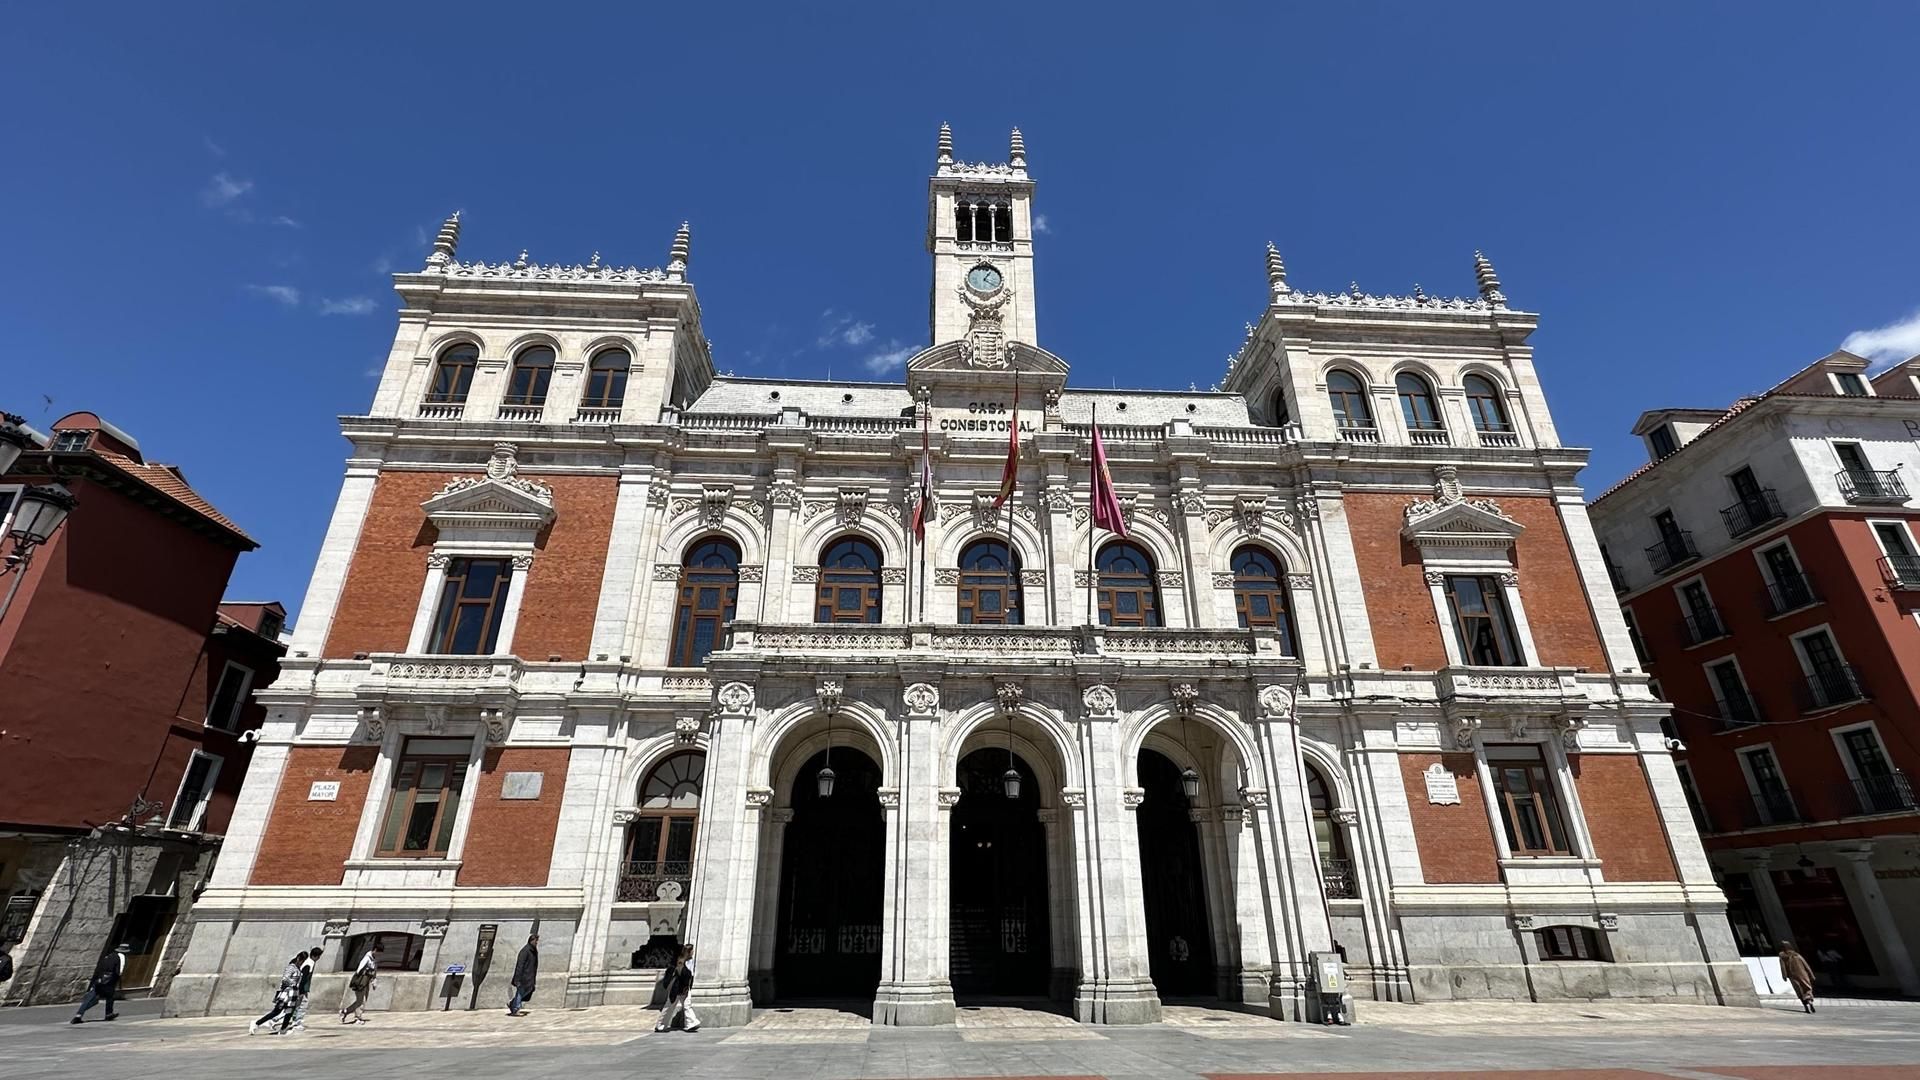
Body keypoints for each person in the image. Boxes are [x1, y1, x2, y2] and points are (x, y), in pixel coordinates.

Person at [70, 944, 129, 1024]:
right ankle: (108, 1014)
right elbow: (120, 971)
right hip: (109, 980)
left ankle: (78, 1015)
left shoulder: (109, 956)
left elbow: (100, 968)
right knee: (110, 997)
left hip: (99, 979)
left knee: (90, 997)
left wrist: (97, 979)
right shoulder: (121, 957)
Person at [250, 953, 307, 1034]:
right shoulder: (291, 967)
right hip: (287, 993)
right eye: (301, 960)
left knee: (289, 1011)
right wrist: (293, 983)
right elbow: (285, 979)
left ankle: (283, 1029)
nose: (301, 962)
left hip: (293, 993)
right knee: (277, 1011)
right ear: (298, 958)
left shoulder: (298, 968)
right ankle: (256, 1023)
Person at [654, 943, 700, 1033]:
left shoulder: (690, 961)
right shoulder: (681, 961)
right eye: (692, 950)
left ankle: (691, 1023)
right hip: (678, 987)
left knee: (687, 1004)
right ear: (689, 951)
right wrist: (686, 985)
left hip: (685, 986)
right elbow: (682, 974)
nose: (693, 952)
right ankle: (660, 1025)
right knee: (670, 1006)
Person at [281, 946, 324, 1033]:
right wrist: (301, 991)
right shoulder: (310, 963)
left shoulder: (307, 962)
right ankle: (296, 1023)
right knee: (301, 1006)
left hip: (298, 988)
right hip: (301, 989)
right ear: (317, 956)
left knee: (294, 1006)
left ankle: (290, 1021)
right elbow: (304, 978)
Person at [340, 942, 382, 1024]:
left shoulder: (374, 959)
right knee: (360, 1000)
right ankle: (357, 1018)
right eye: (379, 952)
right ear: (375, 950)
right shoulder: (367, 958)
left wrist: (374, 981)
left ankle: (345, 1011)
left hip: (366, 982)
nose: (379, 955)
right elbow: (359, 970)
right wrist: (368, 972)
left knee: (362, 1000)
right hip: (361, 982)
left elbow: (374, 972)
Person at [1779, 940, 1817, 1014]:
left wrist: (1784, 976)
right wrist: (1811, 975)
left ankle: (1806, 1007)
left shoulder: (1783, 957)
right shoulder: (1797, 955)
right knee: (1807, 988)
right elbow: (1806, 966)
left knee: (1799, 990)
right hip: (1803, 974)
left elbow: (1783, 967)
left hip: (1793, 976)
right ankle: (1810, 1001)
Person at [507, 933, 539, 1016]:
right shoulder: (525, 951)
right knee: (520, 992)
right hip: (523, 976)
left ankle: (513, 1003)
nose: (536, 943)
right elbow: (520, 965)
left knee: (529, 990)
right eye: (535, 941)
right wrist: (517, 978)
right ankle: (515, 1009)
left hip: (530, 976)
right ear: (531, 941)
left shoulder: (533, 951)